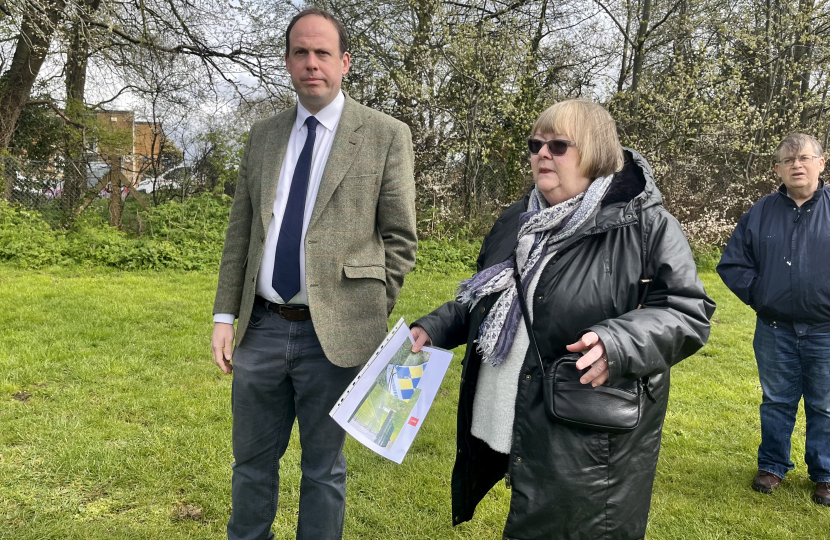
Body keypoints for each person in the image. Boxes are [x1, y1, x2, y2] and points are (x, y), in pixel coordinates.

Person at [410, 99, 714, 539]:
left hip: (589, 436)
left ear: (594, 152)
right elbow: (487, 295)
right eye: (535, 144)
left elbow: (688, 310)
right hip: (517, 412)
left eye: (558, 145)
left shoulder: (645, 223)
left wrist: (619, 343)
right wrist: (435, 326)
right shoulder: (518, 218)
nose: (542, 154)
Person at [210, 8, 417, 540]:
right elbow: (241, 233)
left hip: (337, 337)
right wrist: (225, 315)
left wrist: (365, 307)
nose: (311, 63)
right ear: (286, 61)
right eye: (300, 52)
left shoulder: (384, 135)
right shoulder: (263, 136)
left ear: (344, 62)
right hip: (261, 330)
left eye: (323, 53)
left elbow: (400, 239)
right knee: (251, 464)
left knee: (323, 470)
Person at [717, 132, 830, 506]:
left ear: (821, 163)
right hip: (775, 330)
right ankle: (772, 465)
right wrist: (762, 298)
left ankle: (825, 474)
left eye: (804, 158)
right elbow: (733, 264)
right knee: (777, 401)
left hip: (826, 331)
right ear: (778, 169)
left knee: (825, 405)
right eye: (788, 160)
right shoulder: (760, 212)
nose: (797, 165)